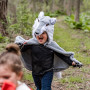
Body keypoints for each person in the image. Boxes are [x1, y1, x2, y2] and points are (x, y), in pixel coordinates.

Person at [15, 11, 82, 90]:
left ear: (48, 34)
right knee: (39, 87)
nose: (40, 35)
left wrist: (71, 62)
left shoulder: (51, 45)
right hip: (35, 72)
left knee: (45, 88)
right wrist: (19, 46)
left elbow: (61, 54)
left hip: (47, 71)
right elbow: (21, 49)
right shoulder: (31, 44)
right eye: (38, 33)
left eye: (43, 33)